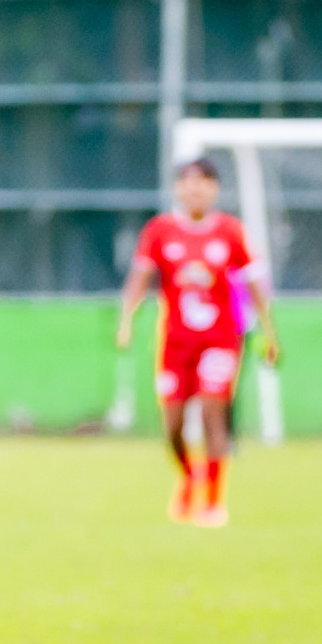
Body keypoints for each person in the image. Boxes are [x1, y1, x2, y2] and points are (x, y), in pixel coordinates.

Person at [117, 157, 280, 527]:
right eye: (188, 182)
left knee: (212, 411)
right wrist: (126, 320)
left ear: (215, 189)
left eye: (204, 182)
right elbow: (139, 279)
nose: (195, 189)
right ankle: (190, 478)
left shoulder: (230, 232)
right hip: (174, 345)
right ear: (177, 188)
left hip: (220, 341)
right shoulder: (159, 231)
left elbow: (255, 285)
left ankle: (213, 501)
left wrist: (270, 333)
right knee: (172, 425)